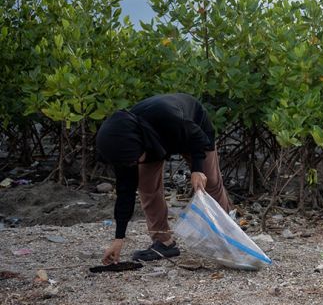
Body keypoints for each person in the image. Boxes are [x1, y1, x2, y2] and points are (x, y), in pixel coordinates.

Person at [95, 93, 232, 264]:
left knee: (210, 181)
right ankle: (163, 242)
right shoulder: (125, 147)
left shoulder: (168, 117)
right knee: (146, 187)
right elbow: (125, 193)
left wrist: (197, 169)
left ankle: (227, 236)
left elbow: (198, 137)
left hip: (193, 131)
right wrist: (118, 239)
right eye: (133, 161)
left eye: (136, 159)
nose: (136, 164)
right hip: (150, 141)